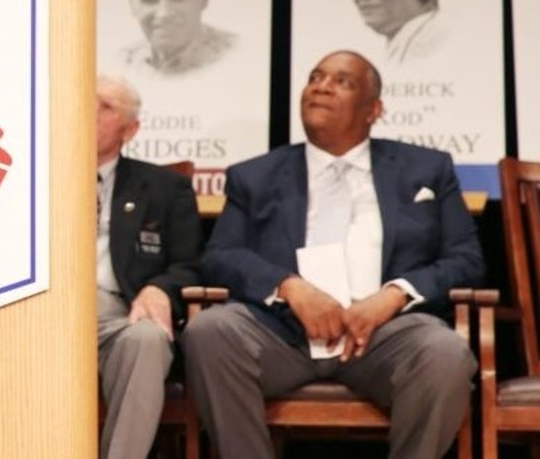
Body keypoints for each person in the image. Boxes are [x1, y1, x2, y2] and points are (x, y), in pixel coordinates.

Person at [180, 50, 484, 459]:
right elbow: (221, 254)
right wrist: (289, 288)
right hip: (281, 334)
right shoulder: (256, 175)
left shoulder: (425, 169)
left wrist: (392, 296)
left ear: (374, 109)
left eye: (342, 81)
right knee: (209, 332)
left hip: (385, 336)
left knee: (445, 354)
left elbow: (466, 259)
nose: (321, 86)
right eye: (315, 77)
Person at [94, 75, 202, 459]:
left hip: (121, 315)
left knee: (149, 339)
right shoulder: (31, 174)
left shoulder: (162, 188)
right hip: (43, 312)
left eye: (104, 106)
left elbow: (190, 266)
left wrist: (159, 289)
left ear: (131, 129)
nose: (87, 111)